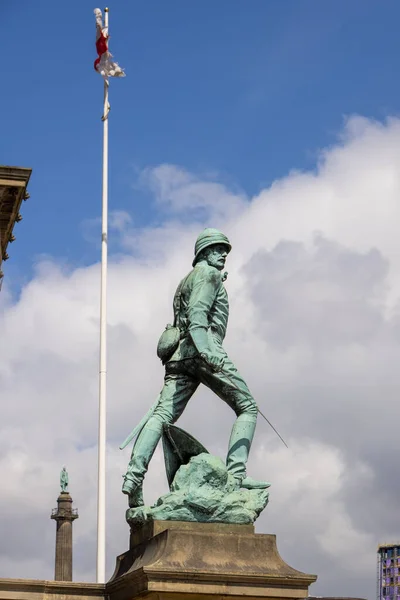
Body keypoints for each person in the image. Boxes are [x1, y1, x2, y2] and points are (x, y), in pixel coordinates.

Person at [122, 228, 269, 507]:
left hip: (178, 356)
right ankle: (236, 476)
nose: (224, 254)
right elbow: (197, 314)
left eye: (225, 250)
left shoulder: (187, 280)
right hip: (203, 349)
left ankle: (133, 476)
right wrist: (206, 351)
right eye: (218, 248)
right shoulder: (208, 275)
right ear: (203, 252)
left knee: (161, 416)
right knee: (248, 407)